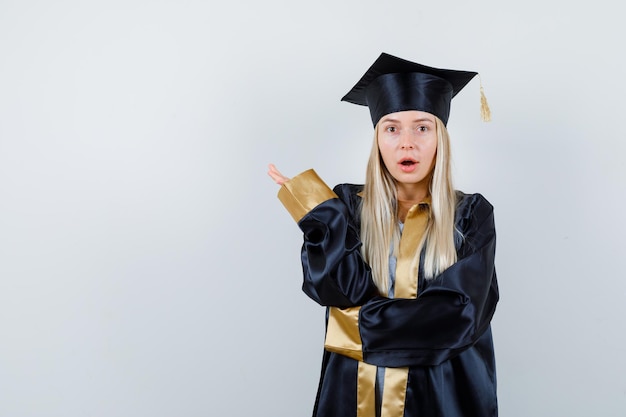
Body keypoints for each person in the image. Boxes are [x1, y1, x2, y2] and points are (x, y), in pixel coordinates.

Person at [268, 52, 499, 417]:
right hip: (351, 395)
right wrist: (316, 209)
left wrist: (352, 325)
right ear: (377, 139)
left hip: (440, 400)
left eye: (422, 127)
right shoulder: (346, 205)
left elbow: (456, 318)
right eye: (392, 128)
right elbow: (333, 288)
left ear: (441, 137)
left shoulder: (470, 215)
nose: (407, 143)